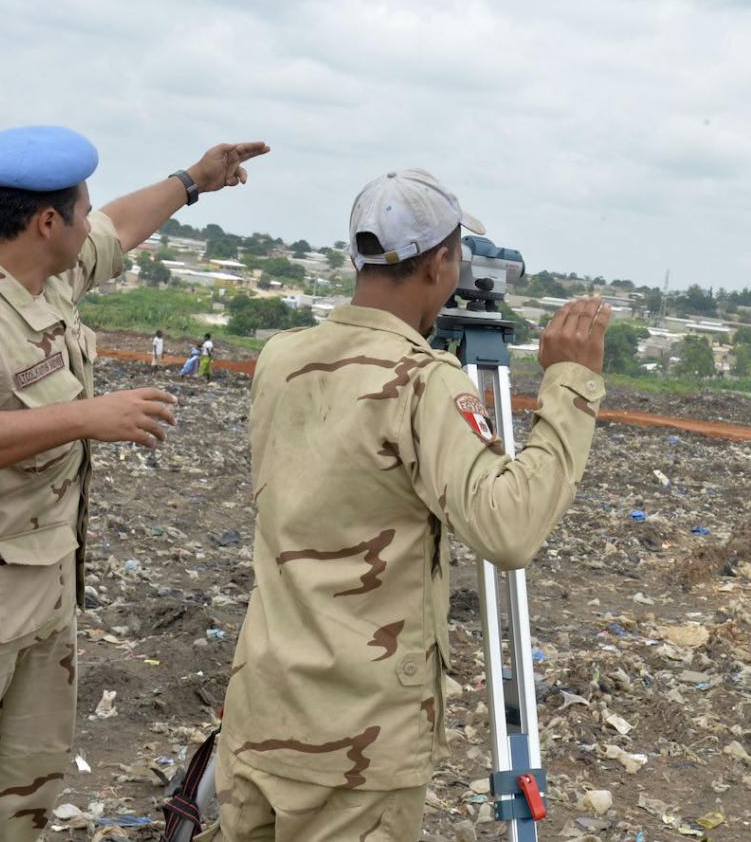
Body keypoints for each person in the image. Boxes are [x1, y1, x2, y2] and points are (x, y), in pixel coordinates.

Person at [212, 169, 610, 840]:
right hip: (356, 748)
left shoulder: (282, 357)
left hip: (260, 716)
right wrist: (571, 384)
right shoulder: (422, 381)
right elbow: (509, 528)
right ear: (438, 264)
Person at [0, 125, 269, 841]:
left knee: (22, 794)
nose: (90, 219)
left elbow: (119, 229)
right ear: (46, 222)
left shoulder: (47, 275)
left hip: (37, 595)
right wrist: (84, 417)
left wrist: (194, 180)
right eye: (80, 208)